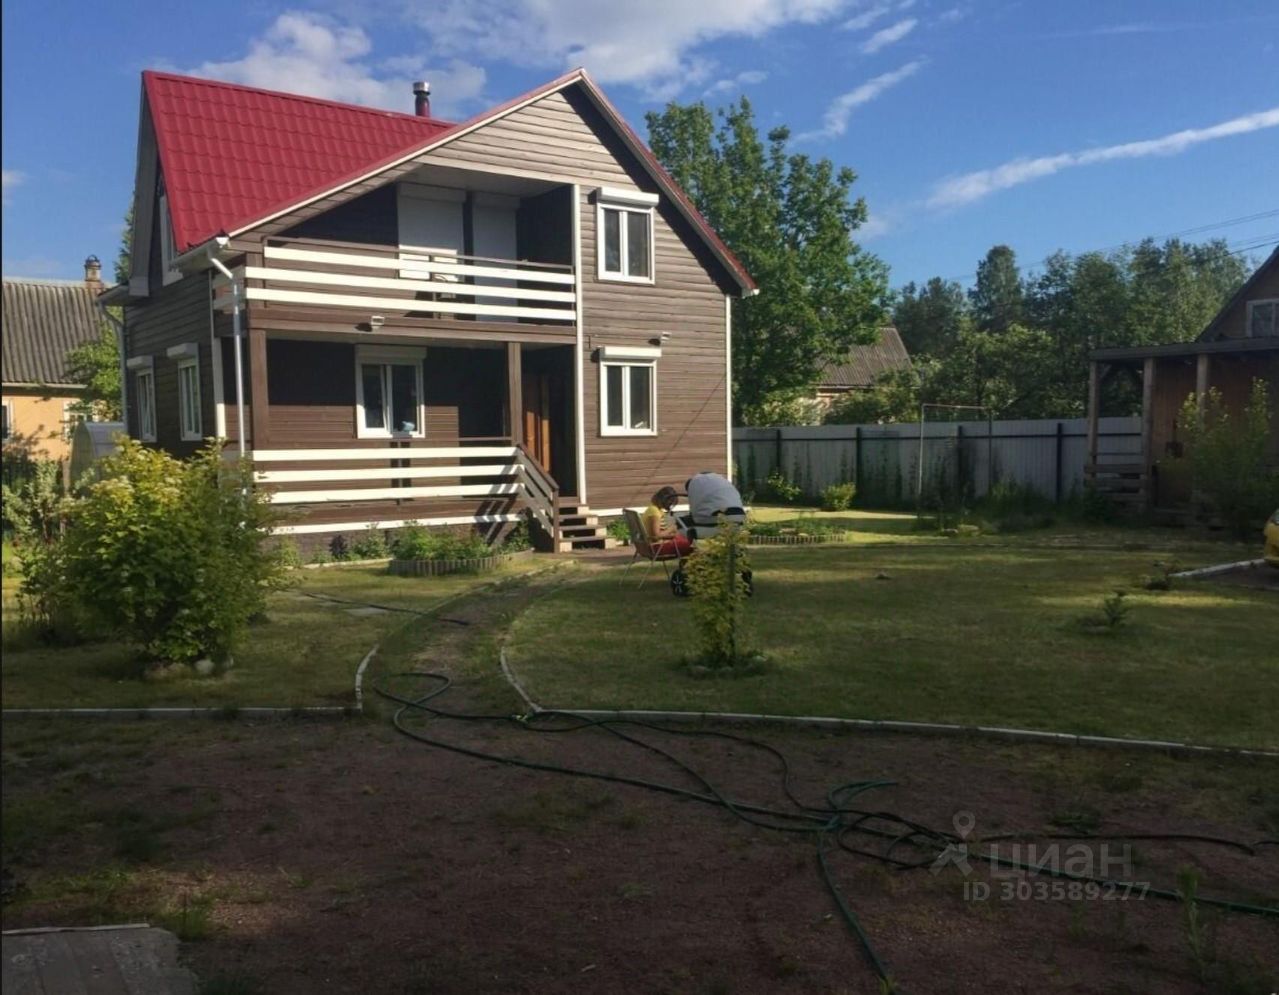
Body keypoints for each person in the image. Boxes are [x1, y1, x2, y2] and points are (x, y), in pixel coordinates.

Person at [681, 471, 747, 537]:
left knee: (683, 522)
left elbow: (694, 513)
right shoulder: (720, 482)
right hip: (739, 515)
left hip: (712, 518)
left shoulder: (697, 486)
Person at [641, 486, 693, 557]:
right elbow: (655, 536)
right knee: (691, 545)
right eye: (670, 502)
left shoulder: (654, 509)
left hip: (652, 546)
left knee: (685, 539)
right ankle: (687, 565)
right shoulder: (654, 512)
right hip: (656, 547)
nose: (670, 504)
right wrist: (671, 529)